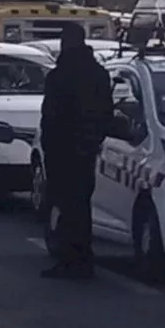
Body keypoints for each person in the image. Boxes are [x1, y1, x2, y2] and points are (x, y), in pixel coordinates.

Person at [38, 23, 112, 280]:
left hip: (63, 150)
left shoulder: (60, 76)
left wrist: (49, 150)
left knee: (67, 206)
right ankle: (82, 259)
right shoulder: (99, 74)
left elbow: (50, 118)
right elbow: (106, 114)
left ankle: (69, 259)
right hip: (87, 149)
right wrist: (94, 140)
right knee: (81, 205)